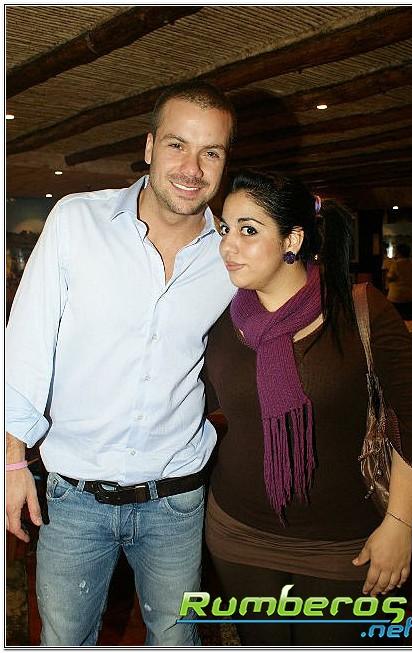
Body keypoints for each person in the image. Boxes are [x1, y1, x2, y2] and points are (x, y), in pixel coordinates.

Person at [5, 81, 237, 646]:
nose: (192, 168)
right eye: (178, 145)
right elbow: (26, 343)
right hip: (73, 500)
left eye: (211, 152)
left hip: (177, 498)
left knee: (177, 641)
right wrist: (11, 463)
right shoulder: (76, 221)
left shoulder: (232, 253)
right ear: (150, 146)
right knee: (64, 641)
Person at [203, 170, 412, 646]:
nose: (227, 245)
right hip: (237, 533)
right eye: (225, 228)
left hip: (344, 543)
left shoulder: (360, 310)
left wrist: (399, 524)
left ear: (292, 239)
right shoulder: (223, 318)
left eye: (248, 230)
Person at [386, 243, 412, 320]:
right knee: (409, 320)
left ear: (399, 253)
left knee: (395, 320)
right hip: (409, 297)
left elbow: (390, 278)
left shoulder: (396, 264)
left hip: (395, 297)